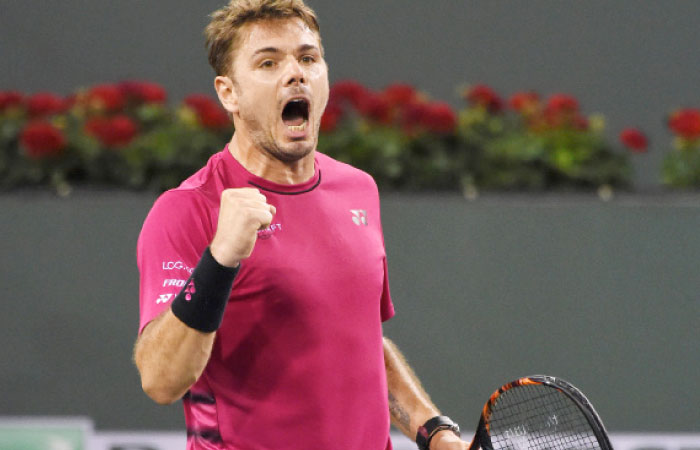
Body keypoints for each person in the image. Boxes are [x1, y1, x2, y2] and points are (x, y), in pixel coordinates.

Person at [133, 1, 469, 449]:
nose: (296, 73)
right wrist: (220, 259)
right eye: (269, 62)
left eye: (308, 58)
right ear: (228, 92)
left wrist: (435, 433)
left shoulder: (358, 190)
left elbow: (364, 344)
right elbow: (160, 380)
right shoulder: (188, 209)